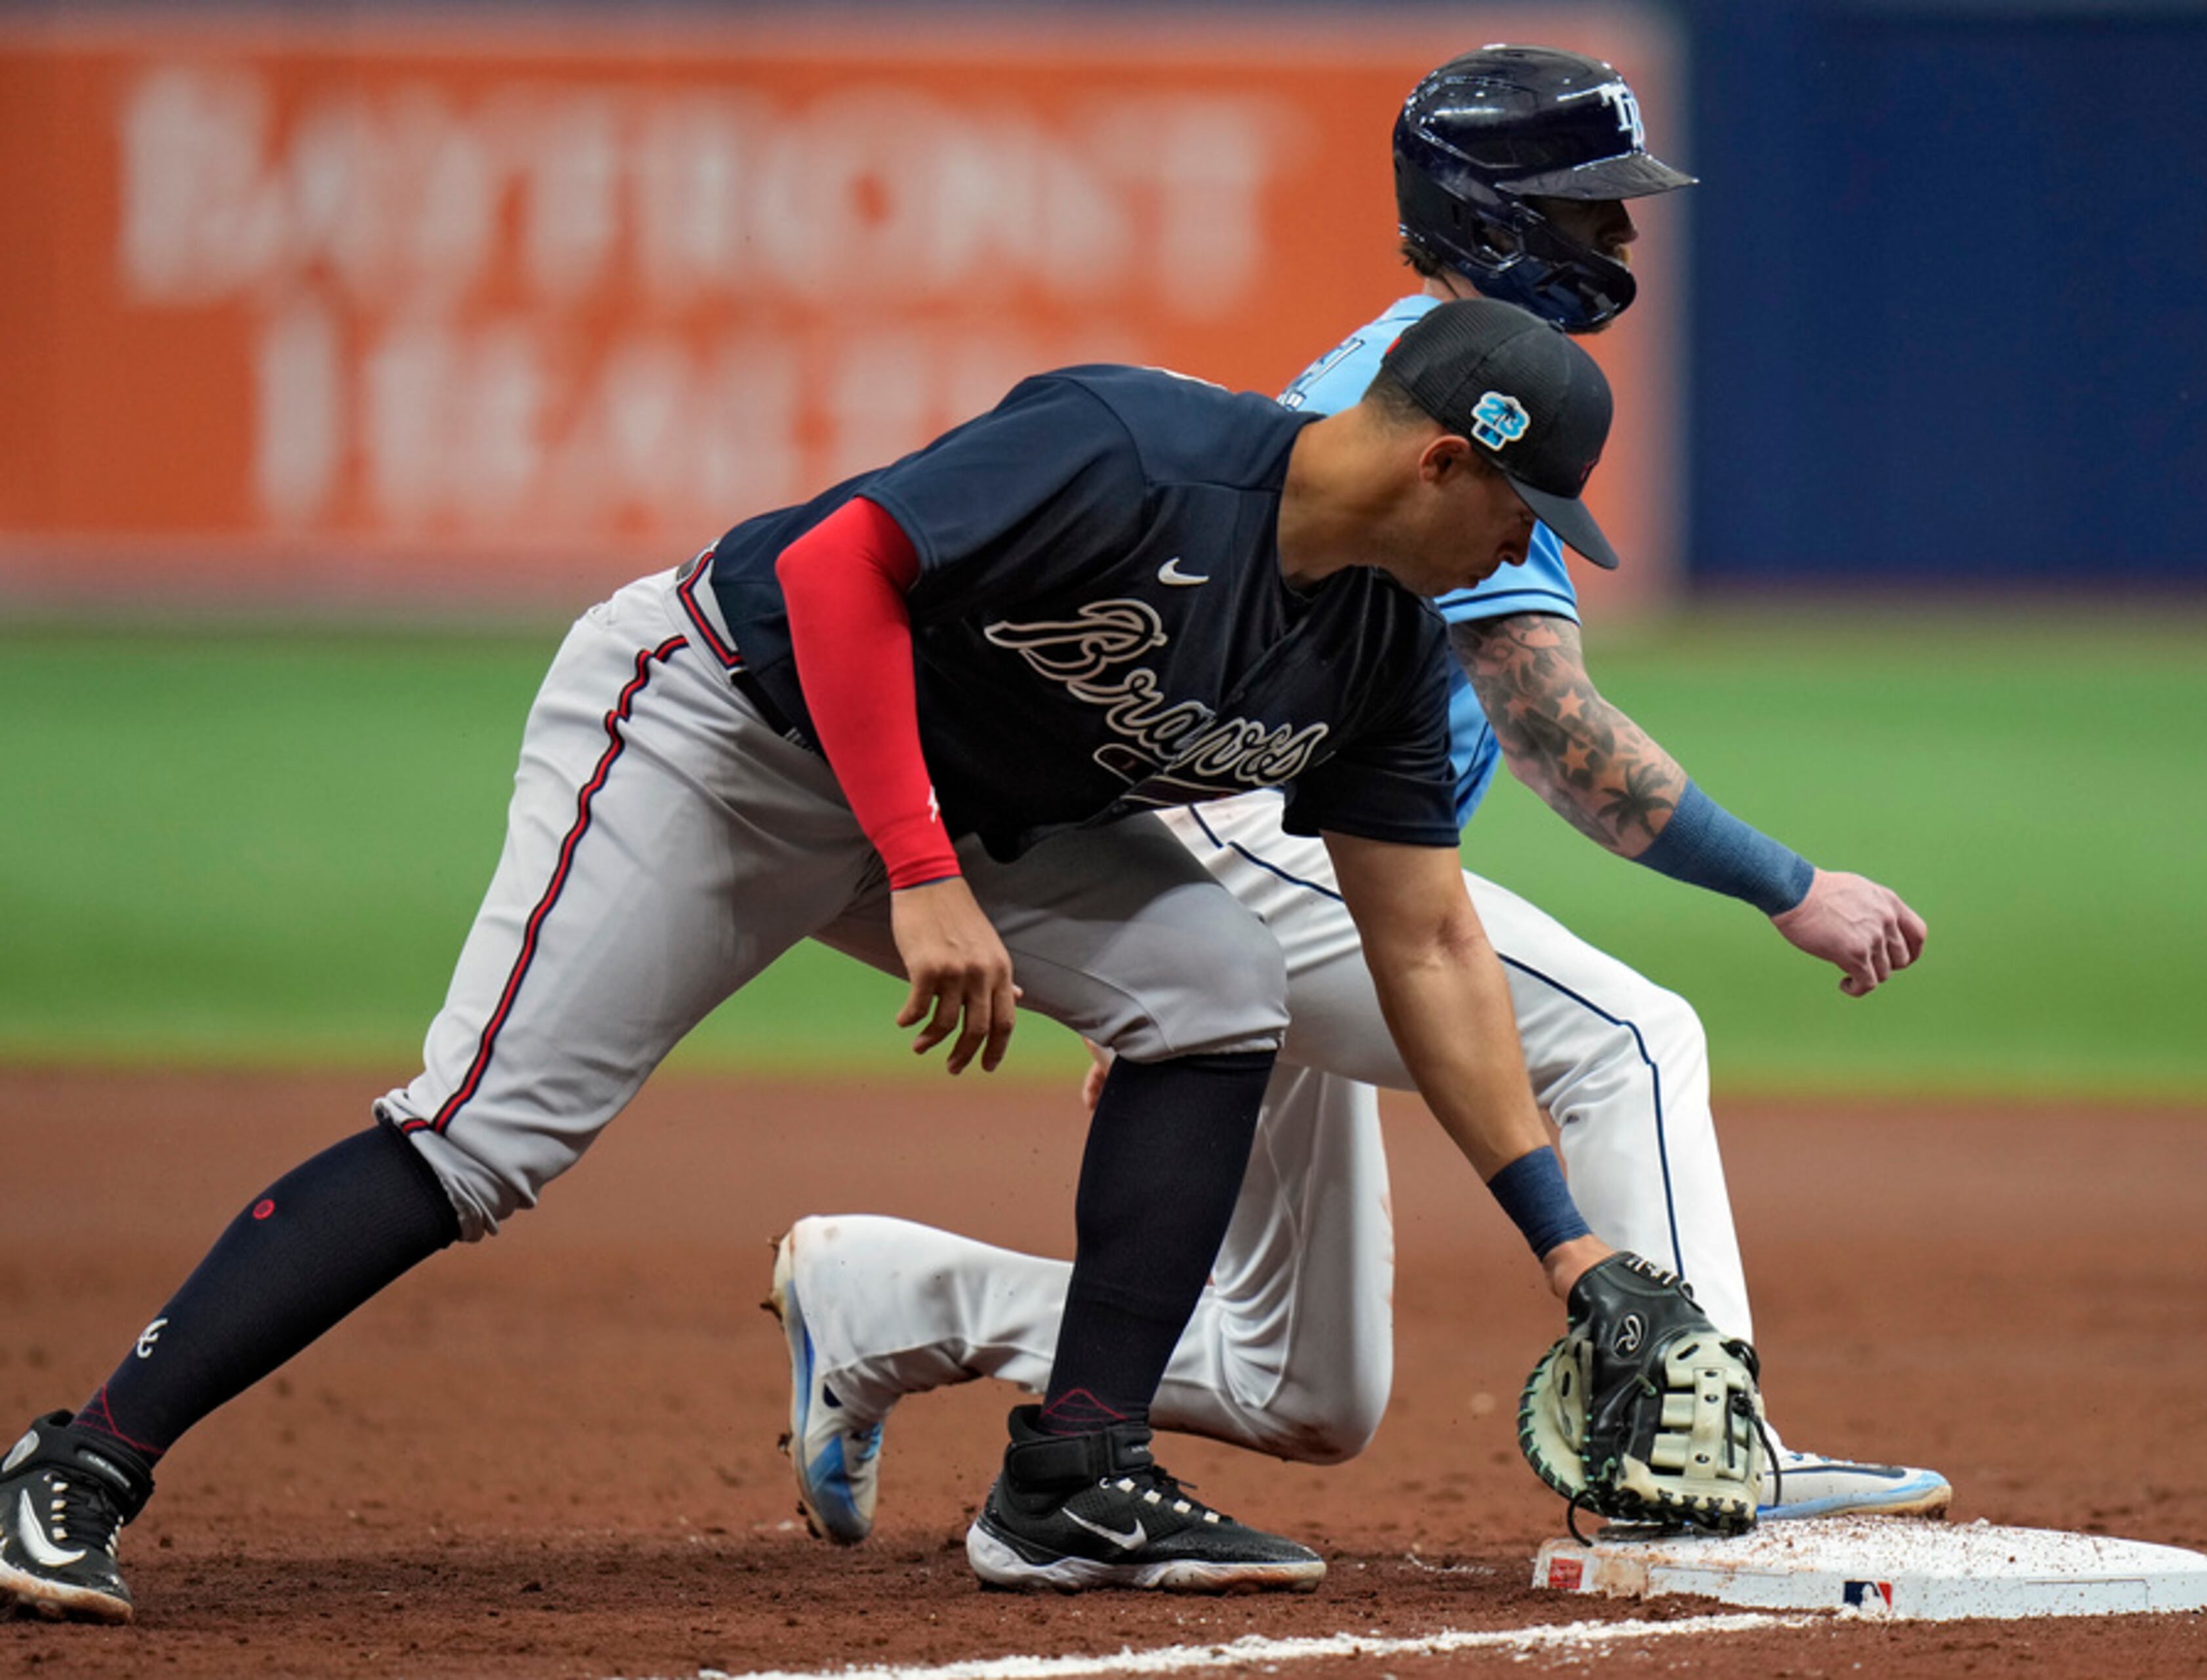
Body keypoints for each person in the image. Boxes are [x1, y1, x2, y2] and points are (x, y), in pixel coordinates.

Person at [0, 298, 1670, 1617]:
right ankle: (78, 1464)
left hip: (975, 818)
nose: (1530, 551)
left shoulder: (1379, 643)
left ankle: (1073, 1475)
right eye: (1529, 510)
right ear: (1448, 459)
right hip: (719, 732)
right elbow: (839, 566)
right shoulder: (1137, 446)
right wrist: (921, 872)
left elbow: (1427, 942)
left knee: (1218, 987)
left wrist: (1567, 1245)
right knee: (484, 1135)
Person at [767, 45, 1947, 1548]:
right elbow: (1553, 731)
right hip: (1272, 838)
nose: (1627, 244)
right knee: (1632, 1040)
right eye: (1598, 211)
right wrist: (1788, 885)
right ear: (1504, 213)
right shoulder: (1461, 414)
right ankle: (1707, 1440)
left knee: (1304, 1388)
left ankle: (884, 1299)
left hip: (1271, 838)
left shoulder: (1442, 368)